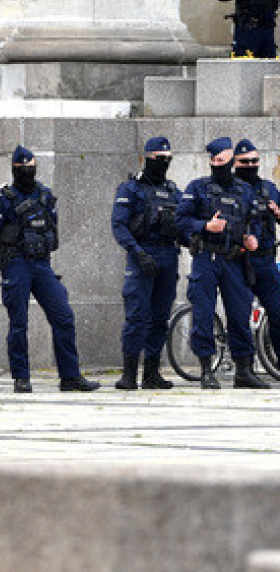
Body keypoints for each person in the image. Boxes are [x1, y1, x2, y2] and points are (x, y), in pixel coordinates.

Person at [0, 146, 98, 394]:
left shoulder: (45, 196)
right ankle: (21, 377)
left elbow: (53, 230)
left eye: (32, 166)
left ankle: (70, 377)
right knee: (19, 322)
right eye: (23, 167)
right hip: (17, 265)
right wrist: (8, 259)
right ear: (15, 169)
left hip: (42, 265)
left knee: (64, 316)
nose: (28, 171)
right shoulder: (3, 199)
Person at [176, 137, 269, 390]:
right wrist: (205, 226)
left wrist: (253, 239)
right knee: (204, 313)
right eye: (213, 161)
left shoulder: (244, 190)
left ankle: (243, 371)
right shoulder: (197, 187)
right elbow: (180, 220)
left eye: (221, 161)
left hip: (235, 260)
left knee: (240, 314)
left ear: (230, 162)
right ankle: (206, 370)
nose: (216, 165)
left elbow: (255, 221)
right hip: (207, 258)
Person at [110, 137, 183, 391]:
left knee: (160, 318)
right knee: (137, 316)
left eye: (167, 159)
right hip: (142, 256)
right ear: (147, 158)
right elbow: (118, 225)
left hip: (168, 257)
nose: (163, 164)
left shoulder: (174, 191)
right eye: (159, 159)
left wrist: (189, 234)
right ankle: (129, 373)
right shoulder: (130, 189)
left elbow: (184, 225)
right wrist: (138, 253)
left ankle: (152, 372)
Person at [234, 138, 280, 377]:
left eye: (254, 160)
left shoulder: (269, 189)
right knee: (240, 315)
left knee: (277, 311)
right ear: (234, 163)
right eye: (244, 162)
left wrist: (278, 213)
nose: (250, 165)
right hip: (239, 262)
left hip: (265, 262)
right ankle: (245, 369)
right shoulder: (228, 188)